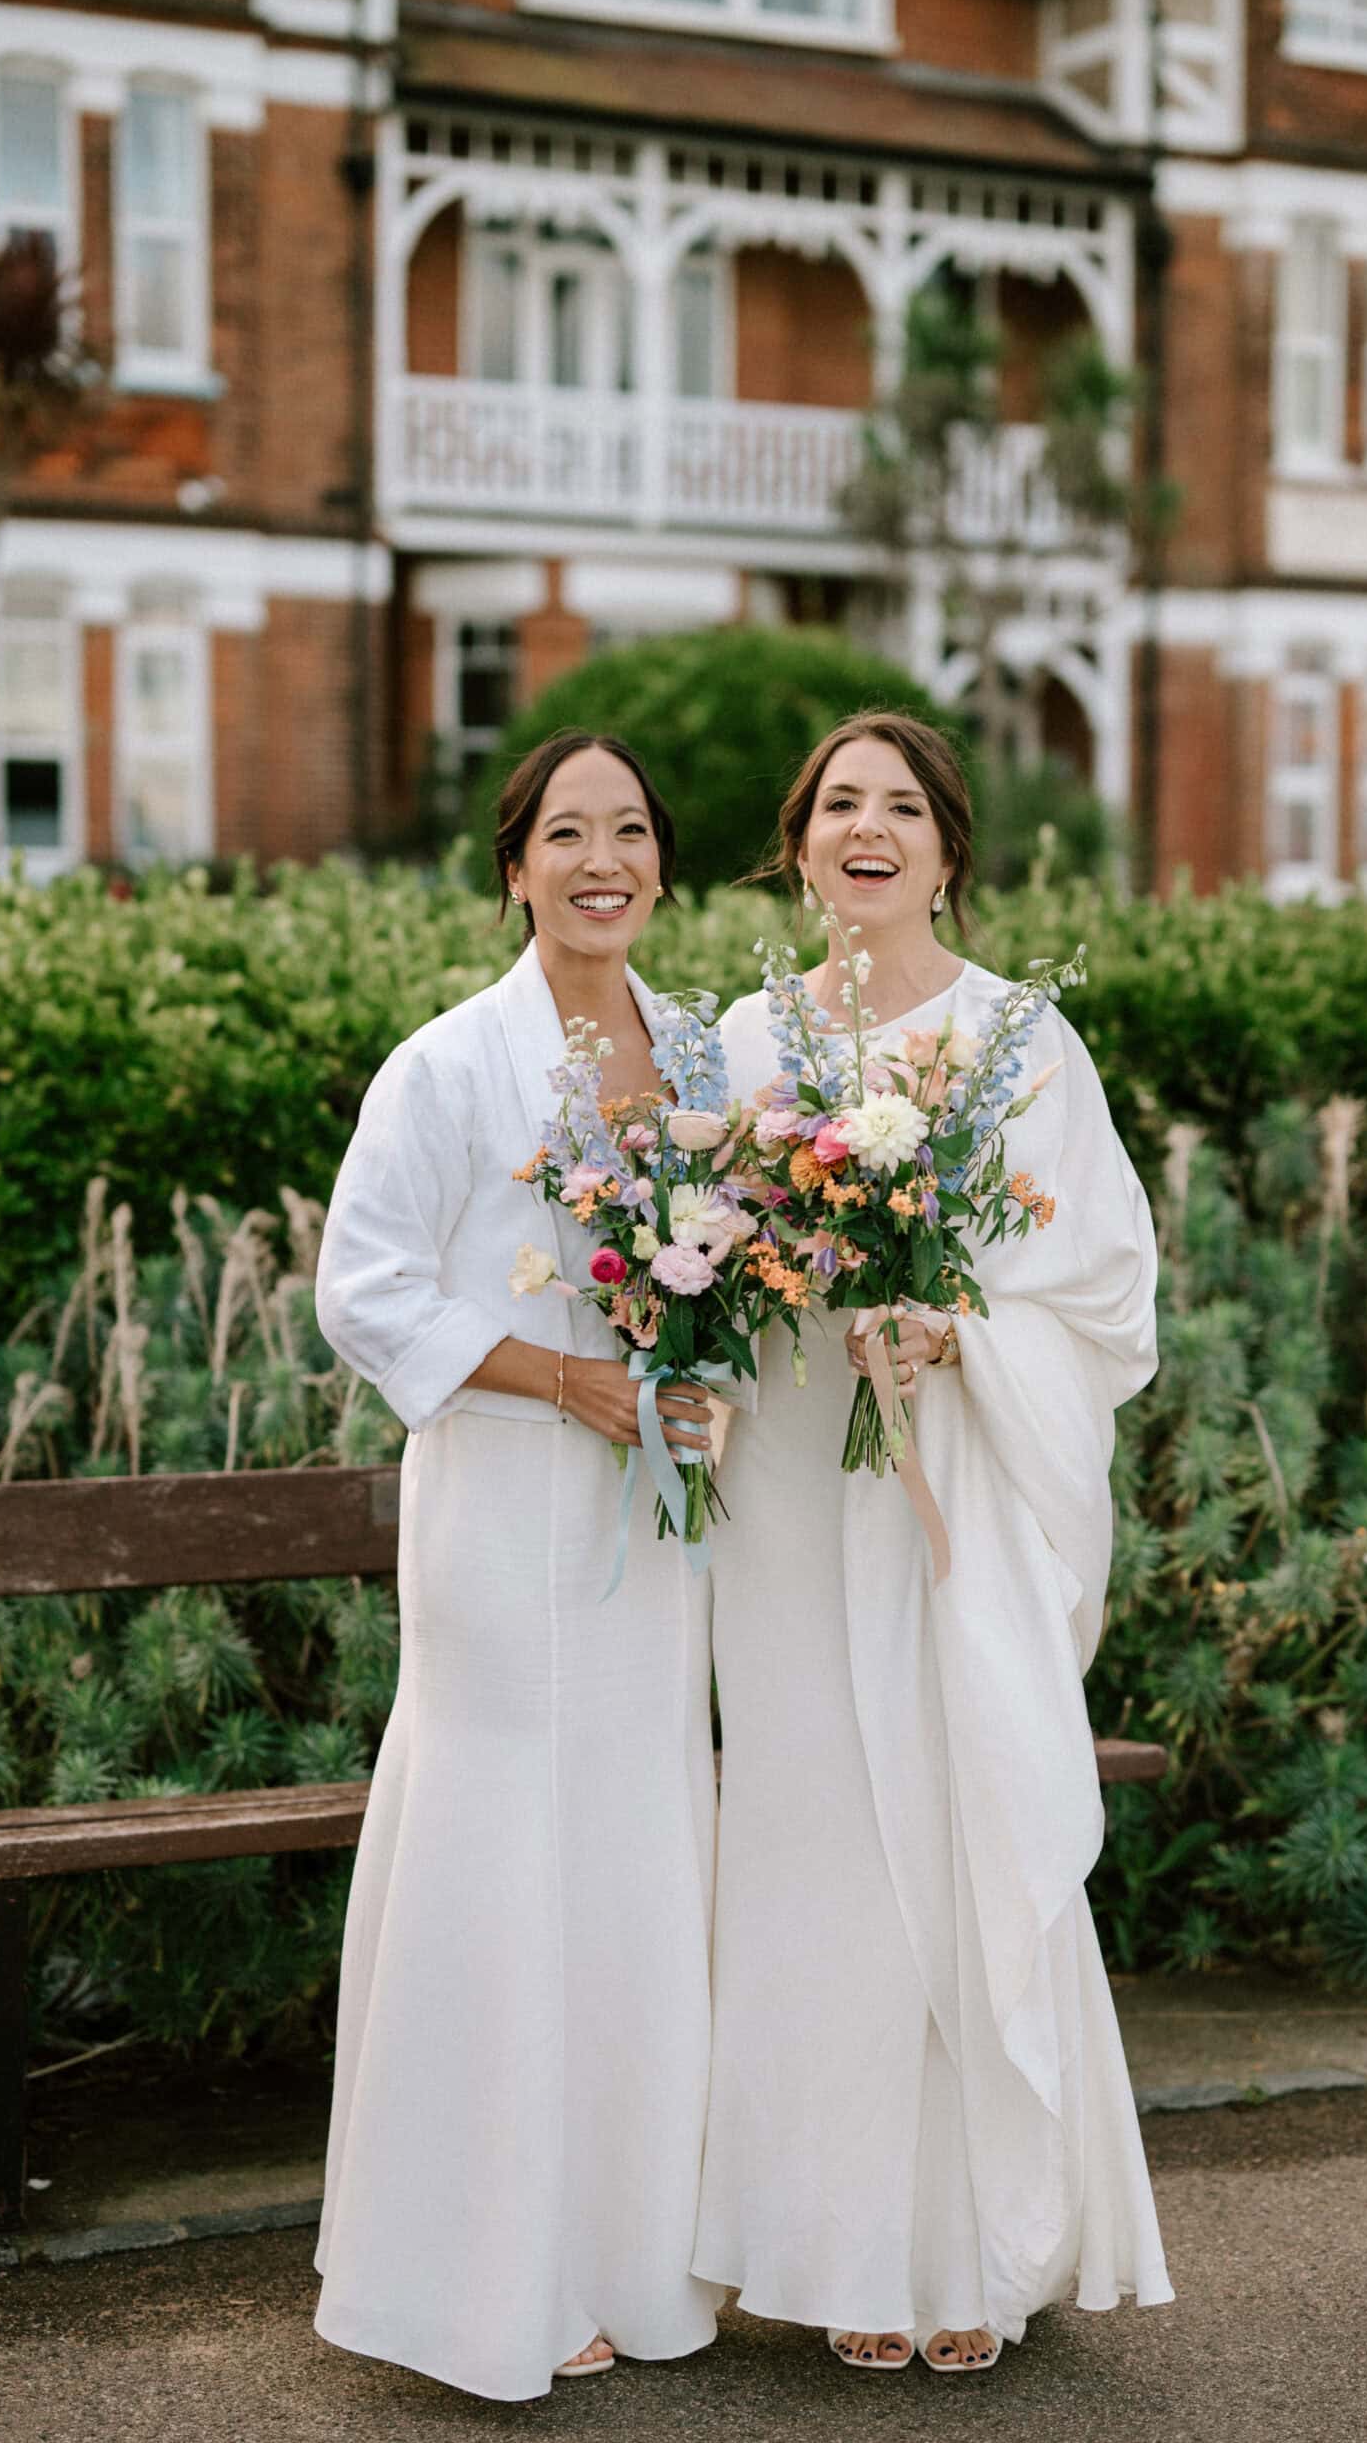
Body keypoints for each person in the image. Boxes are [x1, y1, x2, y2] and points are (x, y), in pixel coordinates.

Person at [693, 710, 1173, 2373]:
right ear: (799, 842)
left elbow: (1107, 1284)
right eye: (839, 803)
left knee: (962, 1831)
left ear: (950, 852)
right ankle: (841, 2254)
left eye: (902, 806)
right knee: (817, 1846)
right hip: (791, 1506)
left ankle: (974, 2247)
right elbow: (696, 1255)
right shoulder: (744, 1045)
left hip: (951, 1492)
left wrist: (959, 1328)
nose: (868, 828)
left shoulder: (1018, 1040)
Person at [310, 731, 723, 2402]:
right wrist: (561, 1380)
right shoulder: (446, 1065)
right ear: (514, 866)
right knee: (500, 1865)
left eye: (628, 830)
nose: (599, 858)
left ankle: (628, 2255)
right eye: (567, 832)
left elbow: (729, 1275)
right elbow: (367, 1287)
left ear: (658, 868)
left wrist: (700, 1375)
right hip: (499, 1512)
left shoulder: (697, 1052)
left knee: (632, 1865)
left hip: (654, 1525)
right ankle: (482, 2281)